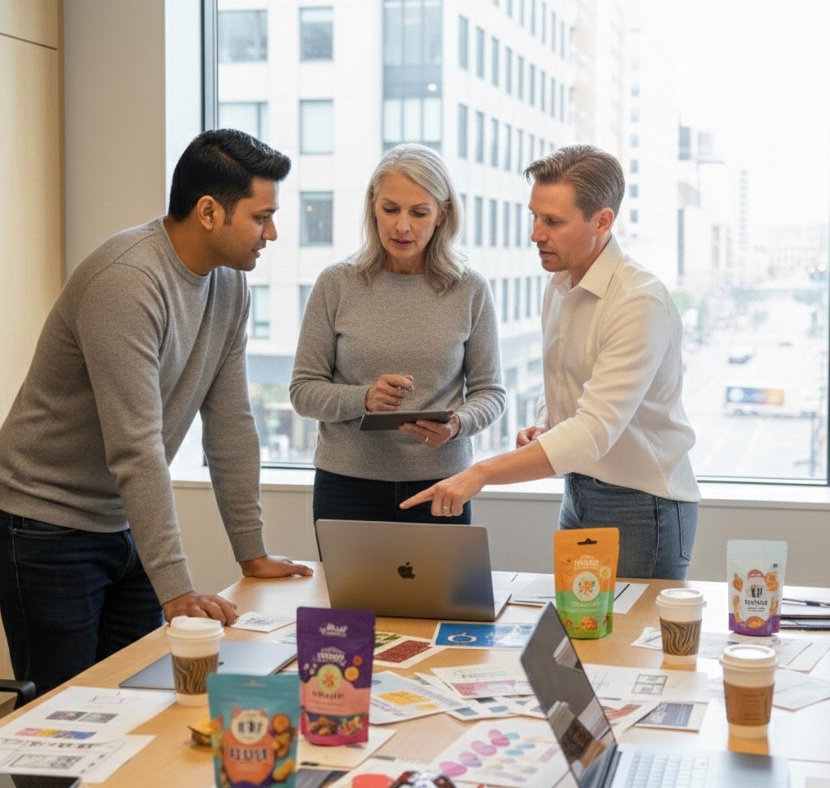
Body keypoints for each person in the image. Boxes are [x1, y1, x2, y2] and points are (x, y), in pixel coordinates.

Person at [0, 128, 313, 693]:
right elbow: (136, 447)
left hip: (118, 522)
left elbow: (230, 427)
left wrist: (250, 552)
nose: (272, 233)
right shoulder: (128, 283)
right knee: (63, 718)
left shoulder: (229, 286)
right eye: (261, 217)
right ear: (209, 211)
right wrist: (178, 589)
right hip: (42, 526)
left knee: (138, 698)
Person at [401, 144, 700, 579]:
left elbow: (594, 431)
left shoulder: (639, 301)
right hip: (578, 490)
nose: (536, 234)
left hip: (642, 504)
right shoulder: (559, 283)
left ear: (602, 221)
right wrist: (550, 425)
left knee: (624, 646)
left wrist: (480, 472)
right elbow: (579, 399)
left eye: (553, 222)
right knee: (578, 636)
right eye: (535, 217)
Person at [290, 143, 505, 525]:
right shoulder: (336, 283)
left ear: (443, 214)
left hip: (442, 484)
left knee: (439, 589)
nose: (402, 226)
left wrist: (457, 425)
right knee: (351, 589)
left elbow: (491, 393)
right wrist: (365, 398)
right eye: (390, 209)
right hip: (346, 487)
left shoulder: (470, 289)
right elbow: (304, 392)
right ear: (373, 206)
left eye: (419, 212)